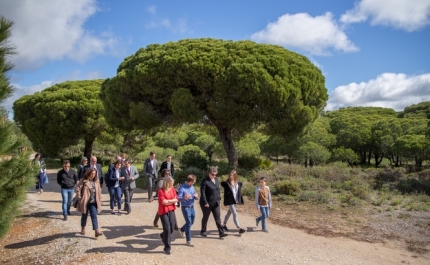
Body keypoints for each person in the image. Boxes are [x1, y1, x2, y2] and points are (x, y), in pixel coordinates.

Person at [199, 166, 228, 238]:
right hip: (207, 203)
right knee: (206, 217)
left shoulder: (216, 180)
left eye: (215, 174)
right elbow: (202, 193)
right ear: (209, 173)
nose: (214, 176)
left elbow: (217, 190)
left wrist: (219, 199)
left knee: (217, 217)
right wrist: (205, 202)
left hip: (216, 203)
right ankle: (203, 230)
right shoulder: (204, 181)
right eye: (212, 174)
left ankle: (221, 232)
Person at [76, 168, 103, 237]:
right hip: (85, 201)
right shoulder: (83, 180)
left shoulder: (96, 181)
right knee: (84, 216)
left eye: (94, 174)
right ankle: (83, 228)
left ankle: (96, 230)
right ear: (89, 173)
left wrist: (100, 198)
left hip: (93, 201)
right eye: (92, 174)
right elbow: (78, 189)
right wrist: (79, 197)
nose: (93, 175)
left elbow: (99, 190)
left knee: (94, 216)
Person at [221, 170, 246, 234]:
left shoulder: (237, 183)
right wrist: (226, 202)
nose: (231, 176)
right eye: (230, 175)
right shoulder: (227, 183)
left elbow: (237, 192)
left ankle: (223, 225)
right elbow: (225, 194)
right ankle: (239, 228)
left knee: (229, 212)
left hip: (235, 200)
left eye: (232, 175)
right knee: (235, 214)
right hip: (230, 201)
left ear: (235, 176)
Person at [158, 176, 178, 255]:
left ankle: (163, 235)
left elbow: (176, 199)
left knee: (172, 227)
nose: (172, 185)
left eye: (172, 184)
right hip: (163, 211)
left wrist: (169, 201)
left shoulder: (172, 189)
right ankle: (167, 247)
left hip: (171, 210)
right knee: (167, 228)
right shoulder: (160, 191)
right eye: (170, 184)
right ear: (166, 183)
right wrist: (171, 201)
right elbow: (163, 202)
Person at [177, 174, 199, 246]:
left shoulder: (192, 187)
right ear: (190, 181)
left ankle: (182, 229)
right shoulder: (182, 188)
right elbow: (178, 198)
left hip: (192, 207)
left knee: (192, 221)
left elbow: (195, 194)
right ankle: (188, 240)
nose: (194, 183)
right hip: (185, 207)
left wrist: (196, 196)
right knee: (188, 223)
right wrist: (184, 198)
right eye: (193, 182)